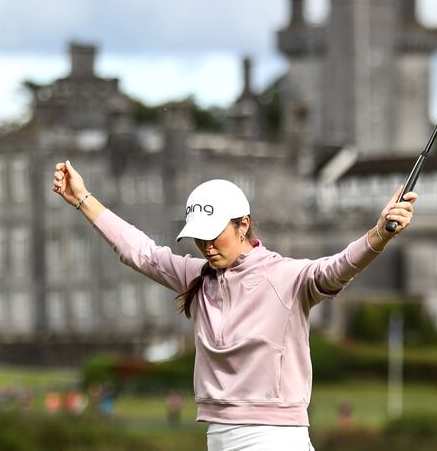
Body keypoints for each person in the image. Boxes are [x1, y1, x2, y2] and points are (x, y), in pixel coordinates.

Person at [52, 160, 417, 451]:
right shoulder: (196, 276)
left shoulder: (285, 276)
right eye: (199, 237)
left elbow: (336, 269)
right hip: (218, 435)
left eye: (214, 234)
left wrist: (378, 235)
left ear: (243, 225)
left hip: (274, 438)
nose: (206, 245)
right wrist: (84, 199)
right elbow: (139, 252)